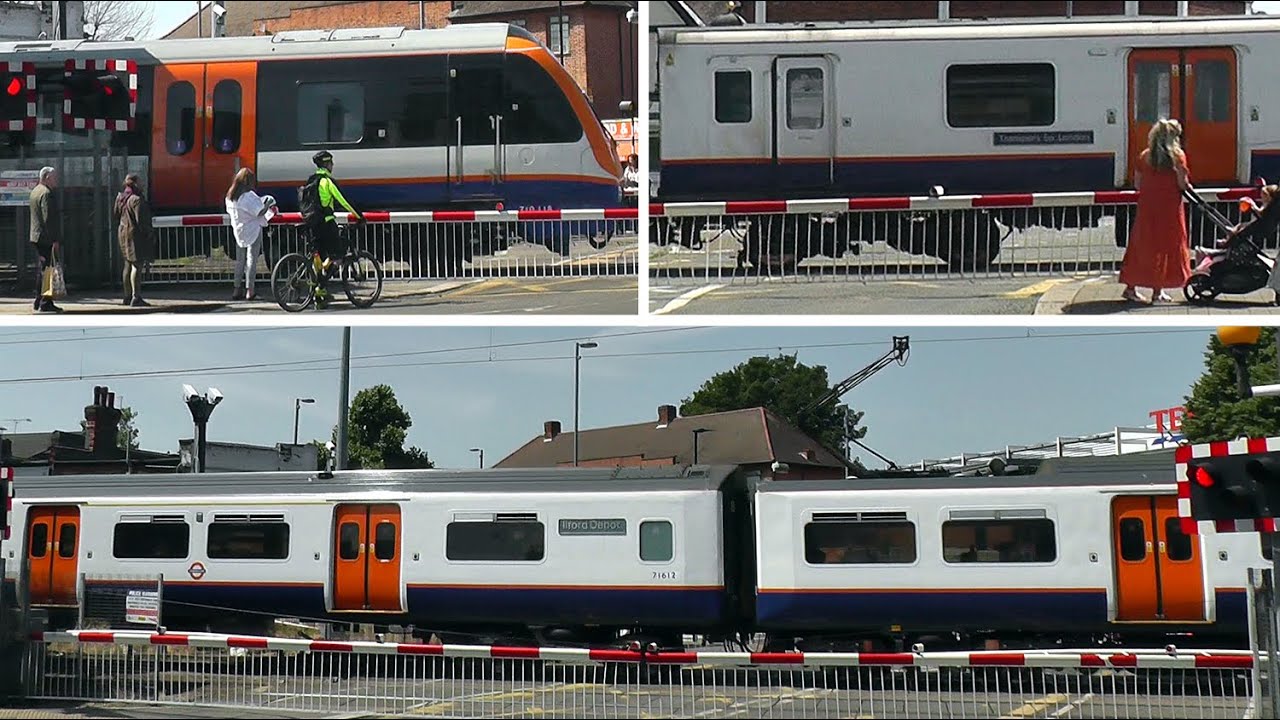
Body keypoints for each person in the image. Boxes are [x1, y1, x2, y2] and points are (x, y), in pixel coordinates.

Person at [1118, 118, 1193, 305]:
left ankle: (1130, 288)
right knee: (1166, 246)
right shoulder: (1177, 156)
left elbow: (1137, 183)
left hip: (1147, 207)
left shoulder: (1145, 156)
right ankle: (1157, 292)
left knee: (1142, 245)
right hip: (1169, 208)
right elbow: (1182, 183)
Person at [303, 150, 364, 301]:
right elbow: (343, 201)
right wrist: (359, 216)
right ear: (327, 164)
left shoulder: (311, 180)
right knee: (337, 254)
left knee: (319, 254)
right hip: (326, 223)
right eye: (331, 163)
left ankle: (319, 293)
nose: (333, 165)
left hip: (312, 222)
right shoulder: (327, 181)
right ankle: (320, 287)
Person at [225, 168, 276, 301]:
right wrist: (268, 203)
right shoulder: (249, 196)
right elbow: (259, 212)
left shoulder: (230, 196)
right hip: (252, 229)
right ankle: (250, 290)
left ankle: (237, 289)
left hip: (238, 230)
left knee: (240, 260)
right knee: (251, 260)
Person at [115, 174, 154, 308]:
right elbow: (141, 220)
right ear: (136, 183)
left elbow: (116, 215)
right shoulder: (136, 199)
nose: (142, 183)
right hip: (134, 235)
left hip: (122, 232)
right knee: (137, 265)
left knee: (127, 264)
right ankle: (136, 297)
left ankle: (126, 296)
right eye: (140, 181)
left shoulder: (120, 197)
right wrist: (149, 233)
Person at [29, 166, 62, 313]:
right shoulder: (46, 193)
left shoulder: (36, 191)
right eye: (54, 177)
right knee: (48, 270)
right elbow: (48, 218)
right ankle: (45, 302)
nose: (56, 180)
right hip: (45, 237)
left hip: (36, 235)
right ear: (47, 177)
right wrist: (55, 240)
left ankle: (38, 299)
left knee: (42, 269)